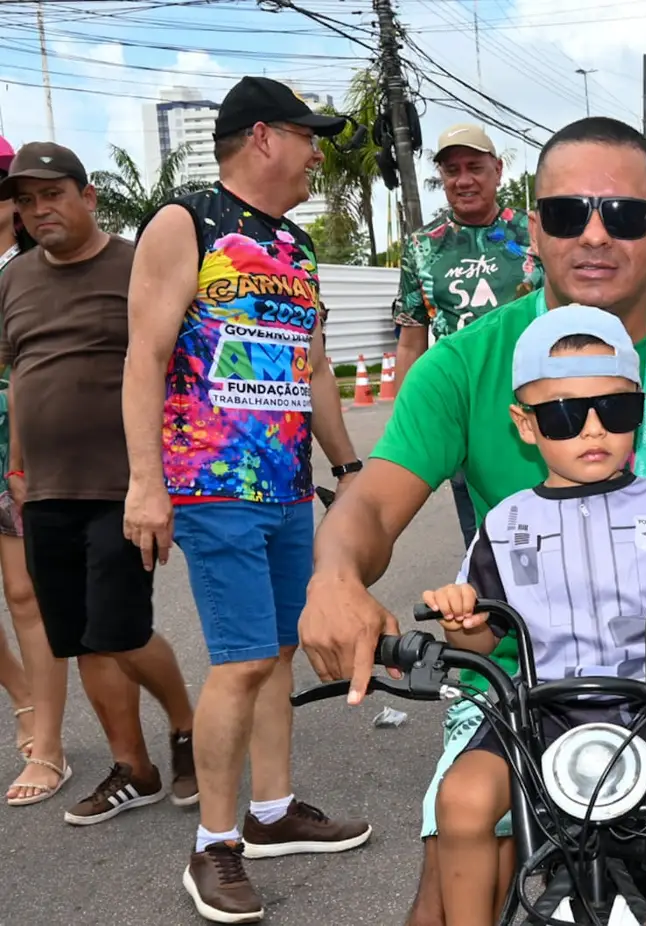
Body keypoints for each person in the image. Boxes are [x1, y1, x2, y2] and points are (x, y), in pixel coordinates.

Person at [296, 116, 646, 925]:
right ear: (534, 229)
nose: (596, 235)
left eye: (625, 215)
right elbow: (370, 502)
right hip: (513, 689)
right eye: (569, 213)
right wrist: (333, 579)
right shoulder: (461, 364)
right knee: (444, 901)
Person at [122, 76, 371, 923]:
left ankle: (271, 811)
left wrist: (348, 467)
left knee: (279, 648)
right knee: (241, 659)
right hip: (210, 481)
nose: (316, 155)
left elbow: (315, 367)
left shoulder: (296, 245)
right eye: (307, 137)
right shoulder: (185, 221)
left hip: (287, 483)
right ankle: (215, 846)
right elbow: (145, 356)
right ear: (264, 136)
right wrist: (145, 482)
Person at [428, 305, 646, 922]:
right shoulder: (505, 523)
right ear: (525, 425)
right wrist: (461, 624)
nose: (592, 430)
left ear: (640, 410)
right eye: (562, 415)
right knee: (463, 798)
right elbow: (481, 641)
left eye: (616, 410)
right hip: (538, 714)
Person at [0, 142, 200, 819]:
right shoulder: (14, 280)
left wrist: (163, 475)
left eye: (52, 194)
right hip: (44, 489)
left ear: (88, 197)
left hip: (125, 484)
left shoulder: (136, 264)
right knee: (80, 635)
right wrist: (18, 468)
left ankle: (186, 727)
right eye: (26, 201)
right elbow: (19, 376)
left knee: (121, 629)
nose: (38, 210)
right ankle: (133, 767)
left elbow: (177, 363)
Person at [395, 124, 542, 551]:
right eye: (451, 170)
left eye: (475, 167)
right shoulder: (421, 246)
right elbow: (411, 339)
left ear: (497, 170)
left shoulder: (534, 233)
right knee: (482, 541)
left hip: (539, 402)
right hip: (464, 410)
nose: (463, 180)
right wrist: (409, 422)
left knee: (550, 525)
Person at [0, 143, 70, 809]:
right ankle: (23, 696)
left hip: (19, 438)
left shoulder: (36, 267)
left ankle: (47, 742)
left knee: (26, 593)